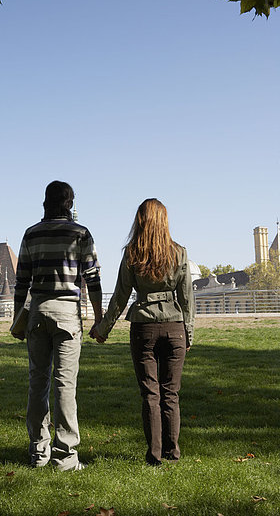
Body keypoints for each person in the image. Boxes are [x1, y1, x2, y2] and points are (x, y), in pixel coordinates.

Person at [90, 198, 195, 466]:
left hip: (143, 328)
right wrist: (189, 334)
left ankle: (154, 455)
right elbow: (187, 300)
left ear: (140, 221)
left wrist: (103, 329)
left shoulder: (132, 254)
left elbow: (120, 297)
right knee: (171, 393)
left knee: (150, 393)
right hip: (175, 328)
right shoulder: (179, 253)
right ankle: (173, 454)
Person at [14, 181, 102, 471]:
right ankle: (65, 456)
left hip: (38, 310)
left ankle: (38, 452)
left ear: (45, 202)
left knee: (37, 383)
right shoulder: (80, 234)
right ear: (70, 203)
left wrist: (18, 319)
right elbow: (93, 279)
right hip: (67, 313)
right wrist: (99, 317)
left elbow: (21, 282)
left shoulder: (31, 234)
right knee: (66, 384)